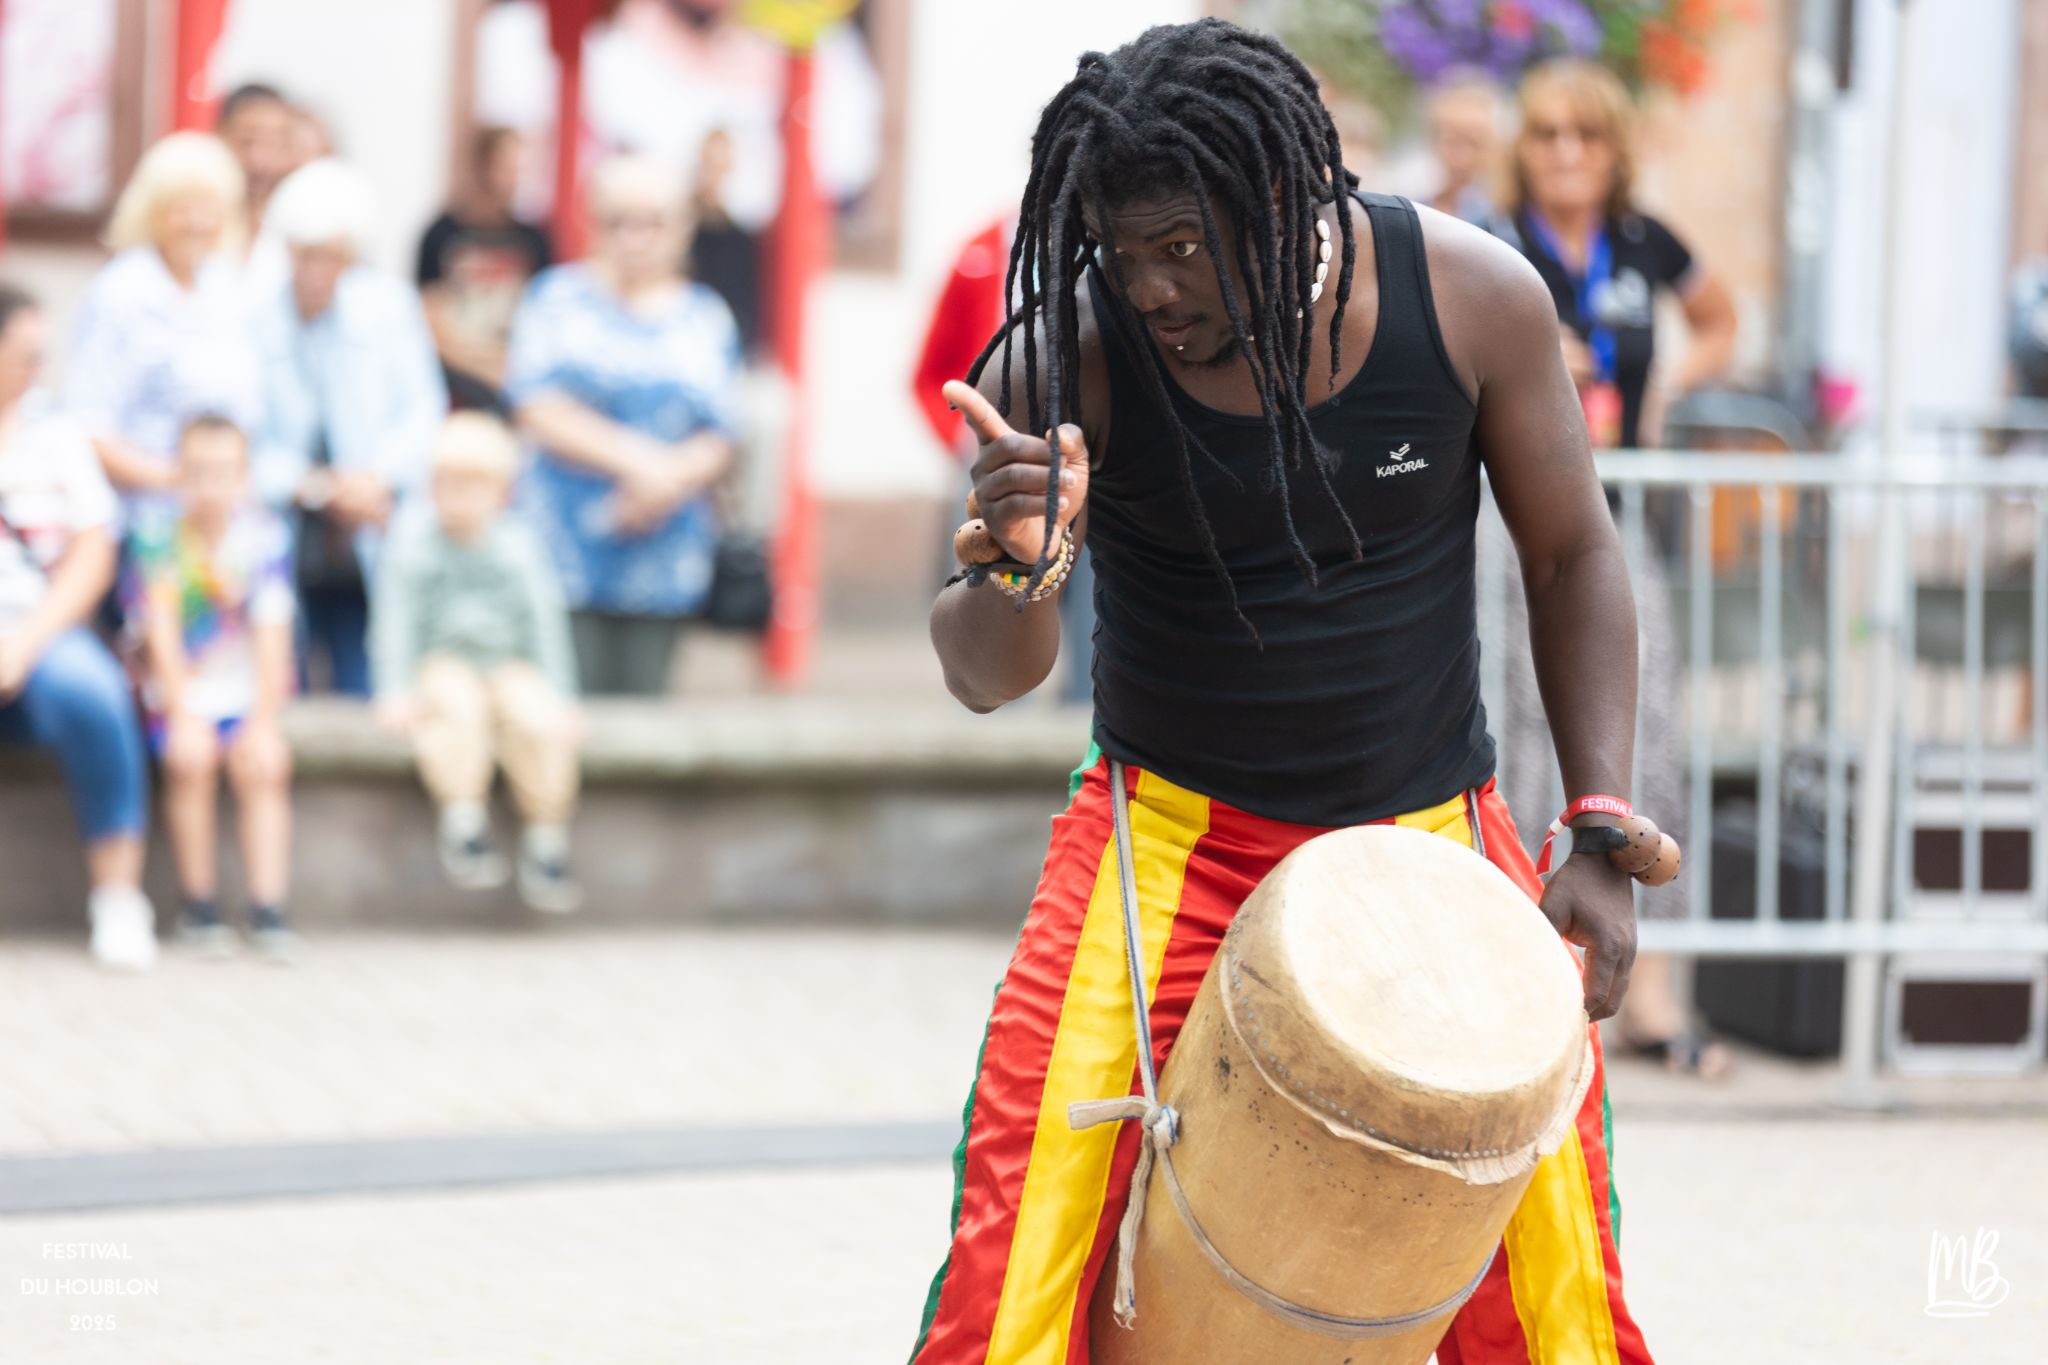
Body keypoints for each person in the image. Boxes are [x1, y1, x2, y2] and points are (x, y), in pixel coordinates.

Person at [913, 21, 1657, 1364]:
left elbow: (1573, 552)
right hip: (1164, 845)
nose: (1149, 288)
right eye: (1121, 249)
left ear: (1284, 199)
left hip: (1428, 840)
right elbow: (984, 678)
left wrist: (1598, 820)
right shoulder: (1064, 355)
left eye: (1183, 247)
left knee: (1559, 1285)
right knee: (1009, 1257)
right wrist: (1023, 575)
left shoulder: (1476, 297)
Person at [1490, 57, 1739, 1079]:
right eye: (1545, 134)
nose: (1563, 154)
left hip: (1615, 518)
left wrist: (1669, 384)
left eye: (1583, 136)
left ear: (1610, 150)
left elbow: (1716, 316)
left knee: (1645, 739)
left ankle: (1653, 1000)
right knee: (1511, 732)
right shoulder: (1491, 243)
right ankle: (1513, 979)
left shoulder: (1644, 243)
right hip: (1504, 527)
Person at [505, 154, 741, 696]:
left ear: (682, 228)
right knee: (561, 708)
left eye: (654, 221)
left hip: (666, 550)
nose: (636, 238)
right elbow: (536, 405)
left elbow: (721, 429)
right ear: (593, 223)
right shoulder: (555, 300)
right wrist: (642, 464)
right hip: (564, 546)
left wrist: (666, 481)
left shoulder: (704, 315)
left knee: (645, 713)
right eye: (618, 221)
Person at [0, 285, 157, 971]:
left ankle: (119, 897)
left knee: (93, 694)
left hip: (43, 628)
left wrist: (25, 642)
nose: (38, 367)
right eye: (25, 353)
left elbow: (93, 554)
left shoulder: (58, 434)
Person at [371, 413, 583, 913]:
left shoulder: (518, 549)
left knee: (536, 718)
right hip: (443, 661)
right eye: (448, 486)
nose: (459, 499)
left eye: (472, 488)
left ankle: (547, 836)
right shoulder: (413, 546)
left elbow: (544, 626)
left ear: (500, 492)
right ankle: (464, 820)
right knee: (453, 707)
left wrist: (563, 697)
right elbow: (395, 626)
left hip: (507, 663)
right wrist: (394, 690)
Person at [252, 159, 448, 696]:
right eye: (305, 253)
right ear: (286, 250)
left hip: (369, 524)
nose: (318, 269)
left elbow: (422, 411)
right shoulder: (253, 315)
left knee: (369, 675)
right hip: (284, 525)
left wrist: (374, 478)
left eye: (332, 255)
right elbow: (241, 435)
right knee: (281, 678)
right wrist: (316, 486)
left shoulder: (388, 307)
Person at [127, 416, 298, 961]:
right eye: (197, 471)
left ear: (244, 477)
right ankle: (199, 906)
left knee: (264, 767)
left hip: (245, 694)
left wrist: (263, 723)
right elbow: (161, 635)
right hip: (182, 697)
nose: (209, 485)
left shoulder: (265, 538)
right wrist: (182, 714)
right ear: (179, 474)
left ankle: (268, 908)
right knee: (190, 763)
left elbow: (274, 640)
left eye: (223, 472)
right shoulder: (157, 541)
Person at [65, 132, 263, 531]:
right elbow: (88, 424)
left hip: (226, 520)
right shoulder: (122, 292)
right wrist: (179, 480)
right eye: (180, 208)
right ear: (152, 212)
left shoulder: (224, 285)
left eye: (208, 207)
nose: (196, 222)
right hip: (147, 520)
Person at [416, 126, 554, 414]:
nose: (515, 179)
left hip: (520, 382)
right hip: (454, 383)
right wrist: (492, 368)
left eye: (521, 169)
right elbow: (430, 327)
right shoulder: (441, 234)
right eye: (507, 167)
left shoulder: (536, 240)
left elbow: (546, 320)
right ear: (482, 167)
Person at [1424, 69, 1504, 224]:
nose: (1462, 156)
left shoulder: (1510, 219)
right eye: (1452, 141)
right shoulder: (1415, 213)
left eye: (1474, 142)